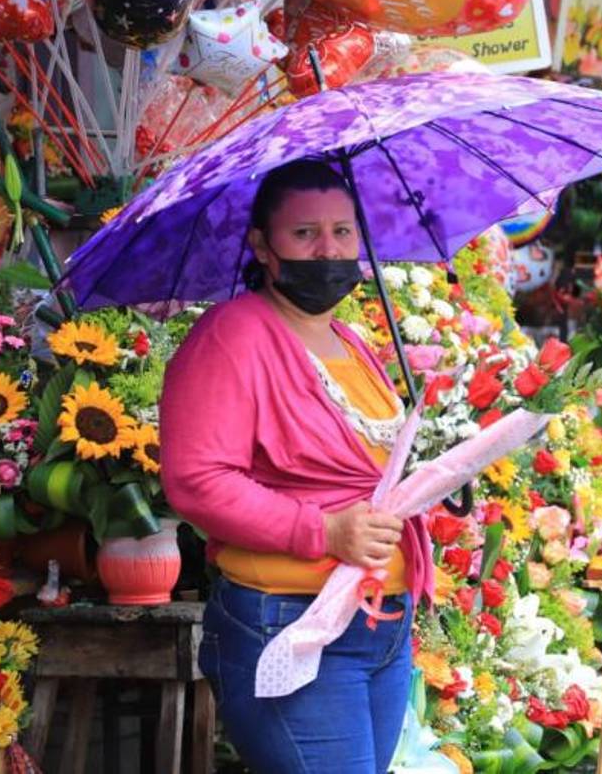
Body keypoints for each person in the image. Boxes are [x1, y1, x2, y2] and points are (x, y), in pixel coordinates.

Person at [160, 160, 432, 774]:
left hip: (380, 624)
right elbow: (197, 481)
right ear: (262, 245)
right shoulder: (232, 336)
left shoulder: (351, 342)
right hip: (290, 619)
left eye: (342, 231)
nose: (328, 249)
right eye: (305, 233)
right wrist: (325, 531)